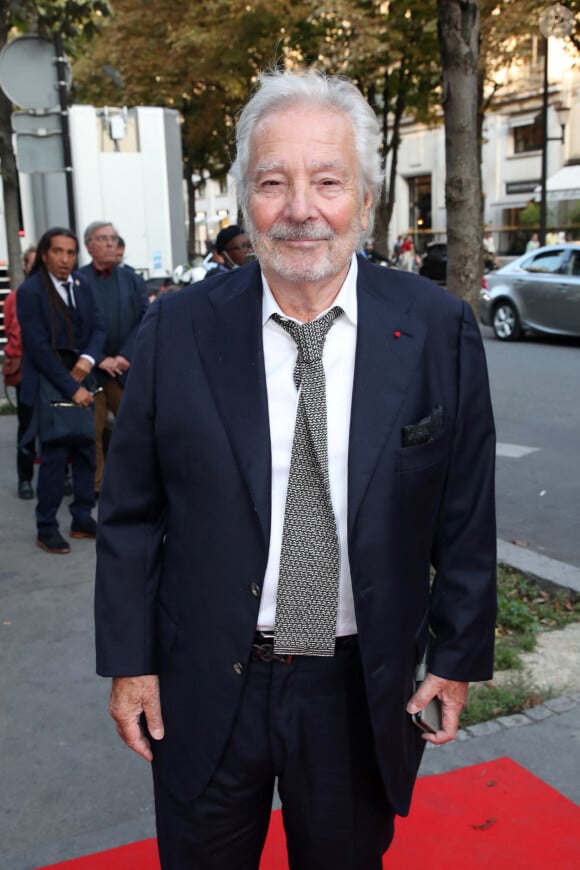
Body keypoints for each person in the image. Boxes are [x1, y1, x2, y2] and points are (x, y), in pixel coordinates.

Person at [95, 69, 496, 869]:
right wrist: (130, 661)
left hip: (356, 687)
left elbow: (465, 510)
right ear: (247, 199)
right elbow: (130, 513)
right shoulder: (175, 329)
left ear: (366, 200)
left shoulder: (437, 329)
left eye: (327, 181)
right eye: (274, 183)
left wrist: (456, 658)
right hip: (204, 681)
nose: (302, 209)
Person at [17, 228, 105, 554]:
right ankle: (46, 527)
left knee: (85, 451)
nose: (65, 259)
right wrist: (72, 388)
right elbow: (38, 349)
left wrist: (88, 358)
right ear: (44, 254)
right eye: (58, 252)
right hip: (49, 382)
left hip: (83, 376)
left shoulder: (82, 285)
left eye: (70, 252)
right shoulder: (30, 292)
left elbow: (98, 328)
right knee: (54, 458)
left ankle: (82, 519)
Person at [79, 221, 149, 498]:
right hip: (91, 371)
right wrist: (98, 359)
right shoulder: (77, 281)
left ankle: (133, 483)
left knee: (133, 431)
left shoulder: (131, 279)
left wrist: (123, 355)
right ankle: (98, 486)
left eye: (113, 238)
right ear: (89, 245)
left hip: (123, 369)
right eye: (102, 238)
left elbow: (145, 317)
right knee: (91, 434)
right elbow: (72, 325)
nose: (110, 243)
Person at [2, 246, 37, 498]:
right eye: (32, 263)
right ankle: (25, 478)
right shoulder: (15, 297)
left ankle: (64, 476)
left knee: (57, 425)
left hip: (52, 370)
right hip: (25, 368)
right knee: (27, 426)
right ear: (25, 266)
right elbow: (9, 327)